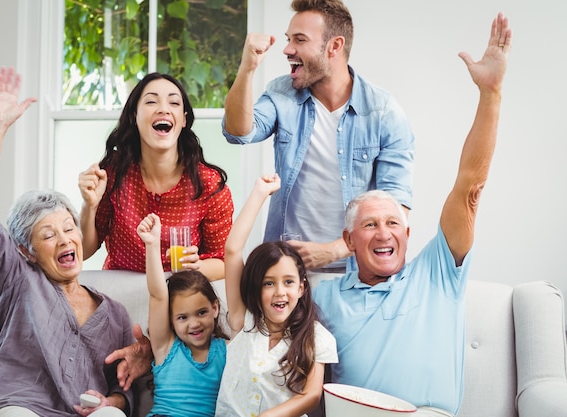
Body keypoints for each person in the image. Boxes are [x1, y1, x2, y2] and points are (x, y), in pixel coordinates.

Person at [312, 12, 512, 417]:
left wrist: (490, 95)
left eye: (392, 224)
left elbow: (470, 187)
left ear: (407, 233)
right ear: (349, 241)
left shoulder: (437, 272)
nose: (384, 233)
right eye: (370, 225)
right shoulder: (321, 295)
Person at [0, 67, 134, 417]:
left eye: (69, 228)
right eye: (48, 234)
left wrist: (110, 402)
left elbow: (122, 391)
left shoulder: (115, 314)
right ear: (26, 250)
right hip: (18, 408)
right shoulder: (18, 279)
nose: (64, 239)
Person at [222, 0, 414, 273]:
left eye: (300, 40)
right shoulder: (282, 93)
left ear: (334, 46)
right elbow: (238, 131)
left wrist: (335, 249)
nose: (288, 49)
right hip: (287, 274)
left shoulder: (383, 112)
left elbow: (396, 205)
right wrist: (247, 69)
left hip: (358, 272)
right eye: (289, 39)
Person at [79, 73, 234, 281]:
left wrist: (197, 267)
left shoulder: (209, 184)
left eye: (174, 102)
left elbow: (225, 263)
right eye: (151, 101)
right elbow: (85, 251)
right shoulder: (113, 173)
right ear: (134, 116)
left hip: (180, 298)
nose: (163, 108)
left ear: (184, 119)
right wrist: (89, 205)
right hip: (121, 296)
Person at [215, 174, 338, 417]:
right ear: (256, 289)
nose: (280, 291)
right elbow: (232, 249)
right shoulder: (244, 321)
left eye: (288, 282)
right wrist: (260, 193)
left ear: (301, 288)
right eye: (268, 283)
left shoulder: (317, 337)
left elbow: (312, 395)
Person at [136, 213, 229, 416]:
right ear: (170, 320)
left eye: (201, 312)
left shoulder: (227, 351)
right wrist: (152, 245)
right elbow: (157, 295)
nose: (194, 323)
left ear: (215, 308)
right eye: (182, 317)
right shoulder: (165, 348)